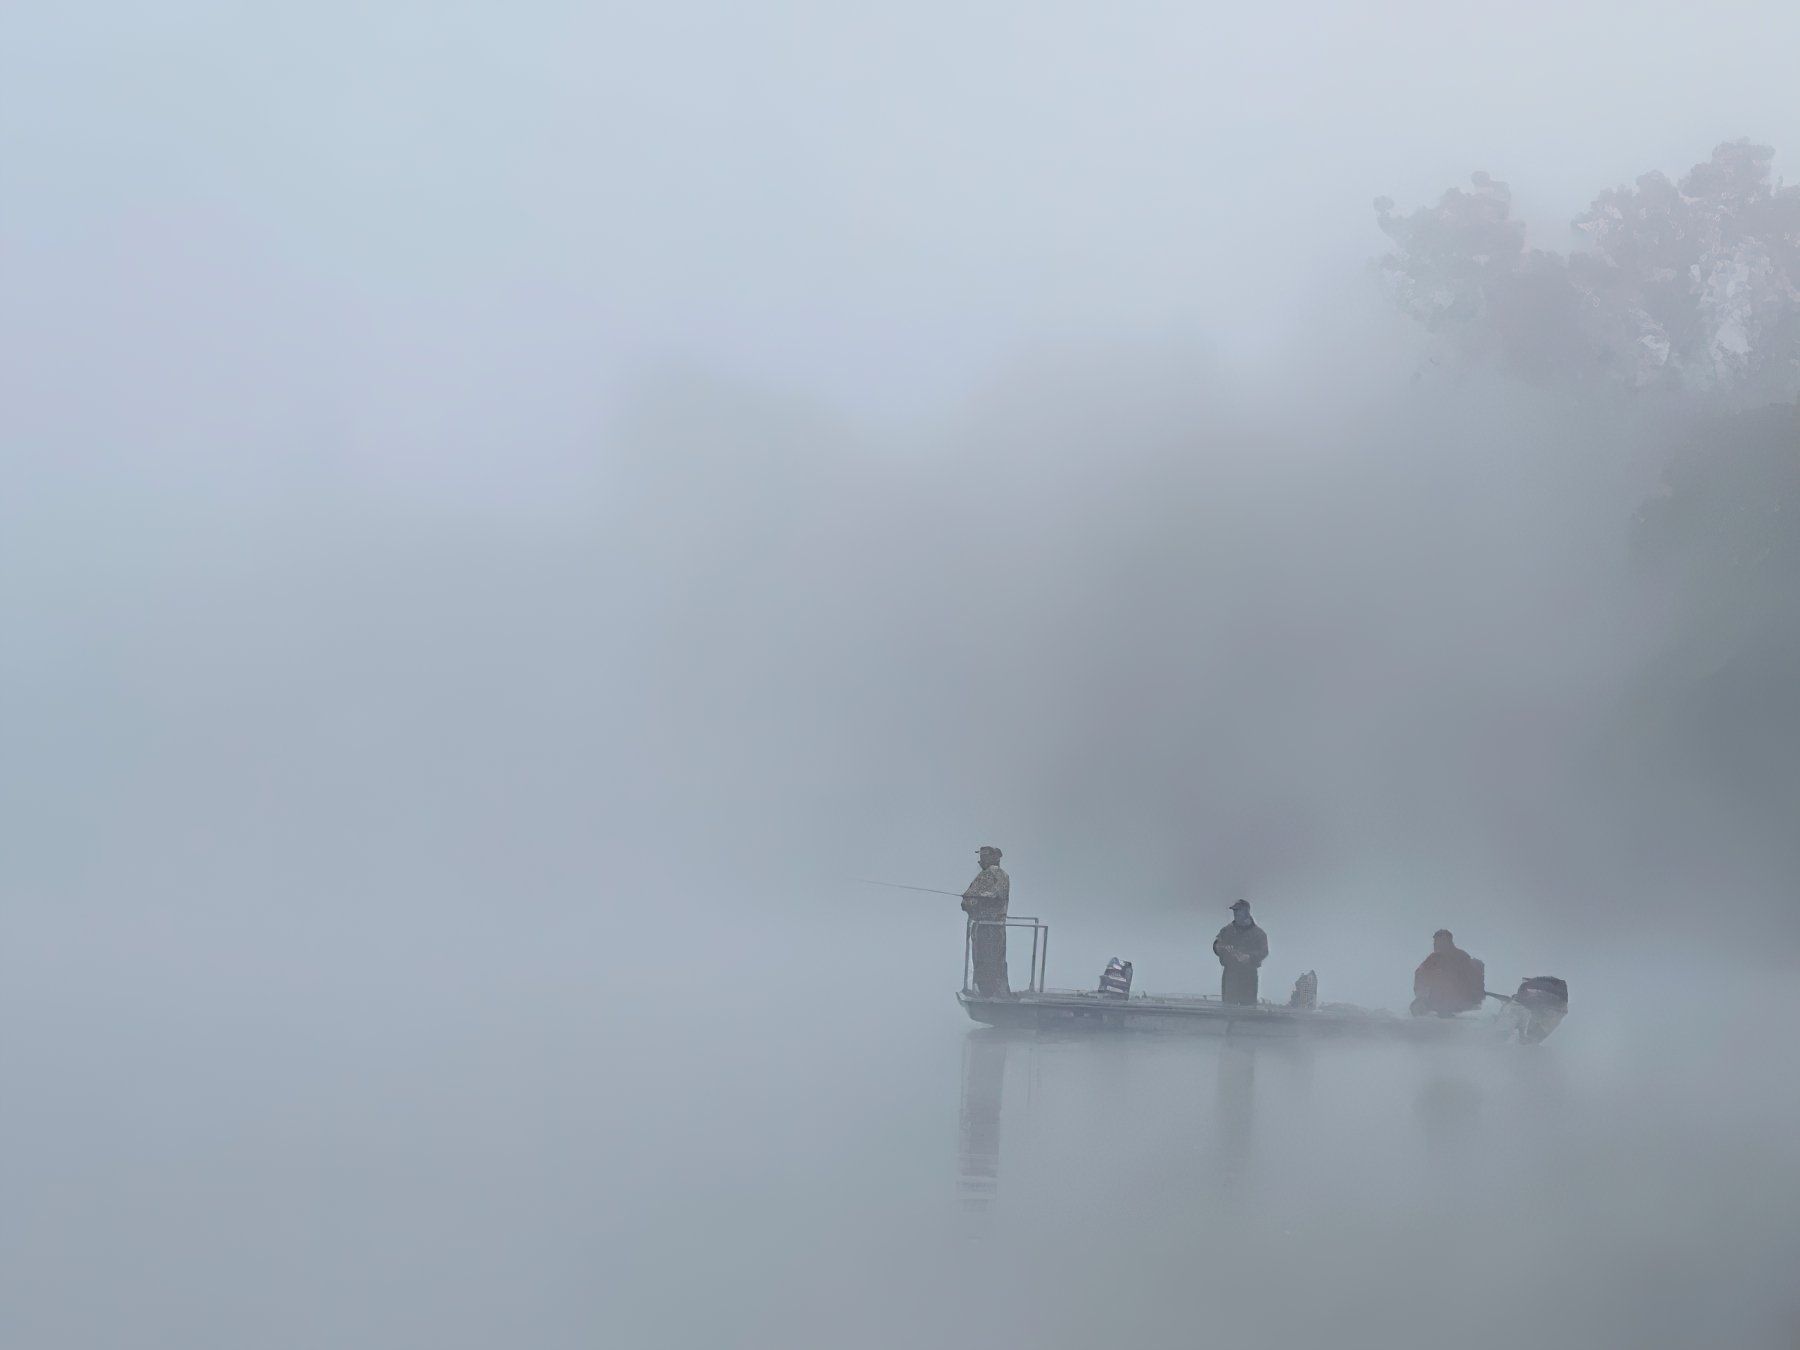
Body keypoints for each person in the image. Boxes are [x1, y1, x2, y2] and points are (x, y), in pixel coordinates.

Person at [961, 845, 1011, 996]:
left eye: (984, 856)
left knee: (985, 959)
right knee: (996, 961)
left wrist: (968, 901)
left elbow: (975, 898)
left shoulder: (987, 875)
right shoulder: (1003, 875)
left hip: (985, 927)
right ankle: (997, 990)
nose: (980, 860)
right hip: (996, 927)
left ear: (992, 858)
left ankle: (988, 993)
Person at [1411, 929, 1486, 1017]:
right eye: (1436, 942)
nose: (1436, 944)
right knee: (1416, 1007)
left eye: (1441, 941)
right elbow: (1420, 974)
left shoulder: (1461, 957)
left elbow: (1470, 979)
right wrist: (1421, 995)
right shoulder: (1433, 958)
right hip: (1441, 999)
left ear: (1448, 942)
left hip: (1458, 1000)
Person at [1212, 899, 1268, 1006]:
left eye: (1238, 911)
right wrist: (1219, 947)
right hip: (1230, 975)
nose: (1235, 913)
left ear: (1246, 912)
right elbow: (1216, 944)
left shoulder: (1259, 934)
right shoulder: (1226, 930)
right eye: (1234, 911)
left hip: (1249, 976)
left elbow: (1264, 951)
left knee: (1248, 1011)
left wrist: (1249, 957)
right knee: (1228, 1009)